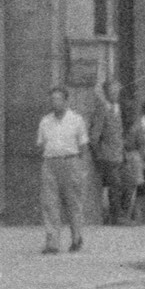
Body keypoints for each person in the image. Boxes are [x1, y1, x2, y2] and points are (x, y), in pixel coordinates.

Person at [36, 87, 96, 254]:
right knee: (49, 203)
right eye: (52, 99)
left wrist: (81, 168)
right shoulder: (45, 121)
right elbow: (41, 145)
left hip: (71, 162)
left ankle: (76, 237)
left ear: (66, 101)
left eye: (58, 99)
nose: (55, 102)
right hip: (50, 164)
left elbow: (83, 146)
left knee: (73, 202)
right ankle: (52, 242)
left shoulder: (76, 120)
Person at [86, 77, 126, 223]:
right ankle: (115, 218)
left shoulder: (116, 109)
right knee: (115, 185)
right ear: (106, 93)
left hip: (117, 155)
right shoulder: (102, 110)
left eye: (117, 91)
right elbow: (94, 136)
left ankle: (114, 216)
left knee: (117, 186)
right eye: (112, 92)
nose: (116, 94)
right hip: (107, 156)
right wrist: (98, 155)